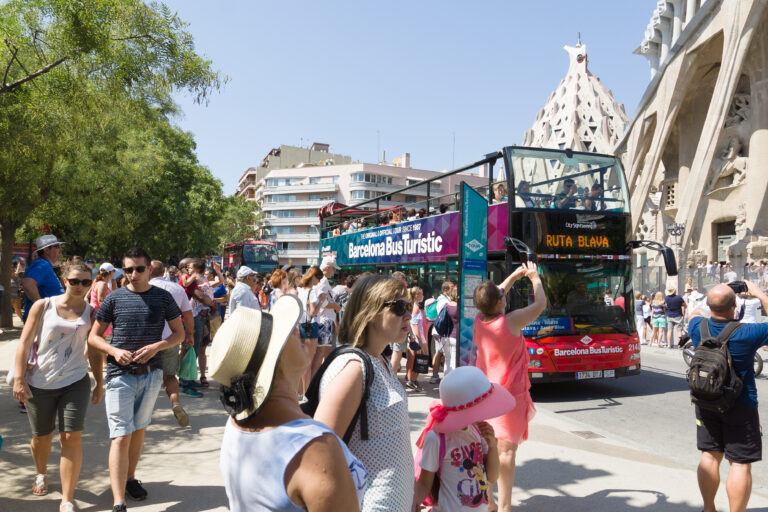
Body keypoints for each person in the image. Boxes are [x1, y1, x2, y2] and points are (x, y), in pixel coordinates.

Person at [213, 299, 367, 511]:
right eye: (285, 334)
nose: (296, 332)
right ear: (275, 361)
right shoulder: (314, 449)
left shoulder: (236, 422)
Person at [87, 247, 184, 511]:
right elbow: (93, 337)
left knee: (139, 430)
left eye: (139, 269)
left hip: (151, 375)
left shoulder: (163, 298)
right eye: (128, 269)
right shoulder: (114, 298)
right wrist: (113, 350)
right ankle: (118, 500)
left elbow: (179, 334)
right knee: (121, 435)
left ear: (149, 270)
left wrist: (156, 347)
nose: (133, 274)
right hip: (120, 376)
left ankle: (130, 478)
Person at [314, 275, 414, 511]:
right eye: (399, 307)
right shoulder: (353, 368)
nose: (408, 314)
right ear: (370, 312)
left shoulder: (380, 360)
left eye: (409, 306)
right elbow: (318, 453)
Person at [13, 261, 96, 512]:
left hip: (76, 380)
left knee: (70, 436)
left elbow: (94, 349)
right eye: (74, 281)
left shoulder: (92, 312)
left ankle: (67, 499)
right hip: (40, 381)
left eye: (85, 282)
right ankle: (40, 472)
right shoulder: (43, 305)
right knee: (42, 437)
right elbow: (24, 343)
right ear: (64, 280)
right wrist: (19, 378)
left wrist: (100, 382)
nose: (80, 286)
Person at [472, 261, 546, 511]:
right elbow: (540, 305)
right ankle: (504, 507)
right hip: (508, 399)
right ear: (499, 304)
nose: (504, 295)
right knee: (506, 454)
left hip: (483, 397)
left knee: (486, 449)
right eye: (501, 296)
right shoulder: (511, 322)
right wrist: (535, 278)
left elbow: (492, 296)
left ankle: (491, 502)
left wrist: (513, 276)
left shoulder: (480, 321)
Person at [688, 282, 768, 512]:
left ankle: (709, 508)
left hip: (706, 401)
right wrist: (760, 294)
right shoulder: (747, 332)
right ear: (735, 305)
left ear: (710, 304)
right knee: (740, 464)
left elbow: (694, 312)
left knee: (709, 456)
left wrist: (713, 295)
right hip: (740, 405)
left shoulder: (697, 327)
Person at [413, 366, 514, 511]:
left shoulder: (477, 431)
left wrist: (492, 447)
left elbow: (492, 477)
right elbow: (424, 483)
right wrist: (413, 503)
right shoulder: (436, 438)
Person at [148, 260, 197, 424]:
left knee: (145, 376)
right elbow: (188, 315)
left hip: (148, 341)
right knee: (169, 376)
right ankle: (175, 403)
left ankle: (145, 411)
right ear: (164, 272)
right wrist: (189, 335)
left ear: (148, 271)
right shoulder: (177, 288)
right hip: (171, 339)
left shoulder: (143, 288)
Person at [22, 235, 65, 321]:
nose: (61, 249)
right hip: (41, 319)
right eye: (57, 246)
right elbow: (27, 284)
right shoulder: (42, 264)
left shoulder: (46, 265)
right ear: (46, 250)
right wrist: (41, 306)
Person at [313, 257, 342, 376]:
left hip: (321, 320)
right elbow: (322, 303)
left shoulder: (318, 278)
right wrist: (335, 306)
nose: (334, 272)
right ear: (328, 268)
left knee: (319, 355)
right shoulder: (323, 280)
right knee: (321, 355)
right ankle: (317, 381)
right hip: (325, 321)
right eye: (333, 269)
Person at [297, 266, 323, 395]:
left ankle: (301, 391)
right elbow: (313, 312)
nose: (319, 281)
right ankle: (307, 393)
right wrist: (322, 300)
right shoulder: (311, 292)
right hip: (311, 326)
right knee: (308, 362)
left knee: (303, 361)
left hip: (301, 325)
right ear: (313, 277)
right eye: (318, 278)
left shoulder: (300, 290)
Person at [405, 286, 428, 391]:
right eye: (422, 294)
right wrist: (421, 343)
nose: (423, 296)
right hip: (416, 338)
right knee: (422, 359)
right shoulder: (416, 307)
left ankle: (410, 379)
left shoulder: (411, 306)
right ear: (417, 295)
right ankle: (413, 380)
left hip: (411, 337)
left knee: (411, 359)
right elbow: (416, 326)